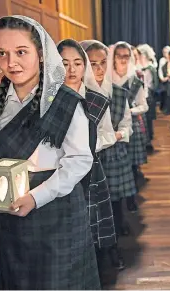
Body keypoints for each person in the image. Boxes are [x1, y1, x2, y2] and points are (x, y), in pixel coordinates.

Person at [0, 15, 100, 289]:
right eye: (1, 54)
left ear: (41, 54)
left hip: (58, 208)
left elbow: (79, 160)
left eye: (21, 52)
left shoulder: (64, 102)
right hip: (9, 211)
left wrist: (36, 196)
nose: (11, 62)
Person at [58, 39, 126, 273]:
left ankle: (106, 254)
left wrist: (84, 145)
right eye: (65, 63)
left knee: (98, 216)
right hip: (59, 170)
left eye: (77, 63)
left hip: (91, 165)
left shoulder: (95, 97)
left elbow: (107, 134)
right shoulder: (50, 98)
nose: (72, 70)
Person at [80, 40, 136, 242]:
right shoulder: (78, 96)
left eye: (103, 62)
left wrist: (117, 135)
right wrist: (112, 137)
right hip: (88, 158)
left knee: (116, 198)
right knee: (96, 205)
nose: (99, 68)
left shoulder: (119, 93)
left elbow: (127, 125)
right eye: (93, 63)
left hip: (113, 155)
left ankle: (119, 228)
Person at [112, 41, 149, 211]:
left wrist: (129, 111)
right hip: (112, 127)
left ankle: (132, 199)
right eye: (119, 56)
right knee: (119, 166)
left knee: (132, 166)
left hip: (131, 125)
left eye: (126, 56)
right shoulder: (107, 78)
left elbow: (144, 106)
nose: (123, 59)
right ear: (113, 58)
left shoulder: (135, 79)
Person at [138, 44, 159, 150]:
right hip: (140, 94)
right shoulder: (138, 67)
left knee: (149, 118)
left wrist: (149, 92)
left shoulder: (150, 68)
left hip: (149, 95)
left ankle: (149, 139)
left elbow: (154, 84)